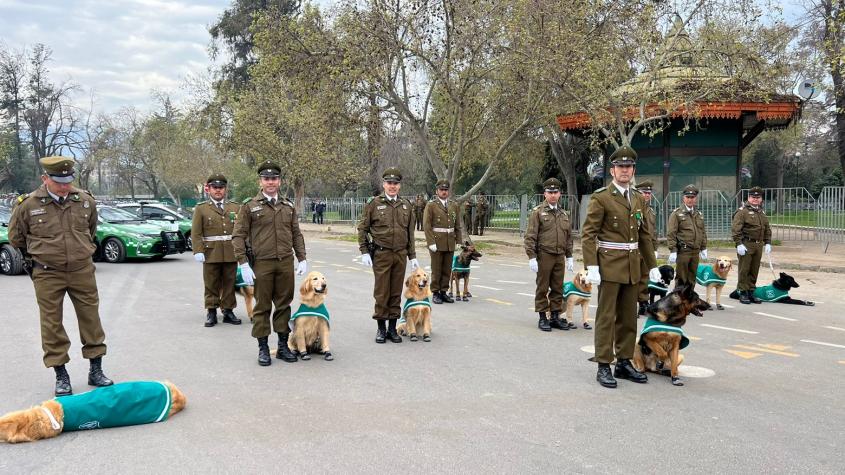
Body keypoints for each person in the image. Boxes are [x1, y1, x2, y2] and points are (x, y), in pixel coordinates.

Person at [8, 156, 114, 396]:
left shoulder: (85, 201)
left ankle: (95, 369)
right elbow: (17, 238)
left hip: (81, 270)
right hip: (47, 272)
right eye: (59, 182)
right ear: (45, 179)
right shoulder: (28, 205)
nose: (65, 186)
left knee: (91, 318)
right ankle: (61, 375)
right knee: (51, 323)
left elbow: (91, 230)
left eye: (68, 181)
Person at [581, 146, 660, 389]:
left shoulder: (637, 198)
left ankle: (624, 362)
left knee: (628, 318)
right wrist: (591, 265)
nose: (624, 171)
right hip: (609, 265)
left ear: (633, 170)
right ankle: (604, 364)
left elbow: (645, 236)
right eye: (620, 167)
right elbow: (588, 234)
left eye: (629, 167)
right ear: (612, 170)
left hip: (632, 266)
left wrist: (653, 265)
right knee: (607, 317)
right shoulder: (602, 197)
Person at [233, 161, 308, 366]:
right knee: (263, 307)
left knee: (284, 306)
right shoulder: (249, 206)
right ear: (261, 181)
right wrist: (243, 263)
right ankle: (263, 348)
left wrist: (301, 257)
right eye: (267, 179)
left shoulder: (287, 205)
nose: (270, 182)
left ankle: (283, 346)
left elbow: (295, 233)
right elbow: (238, 236)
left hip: (284, 262)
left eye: (274, 178)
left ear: (279, 181)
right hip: (262, 264)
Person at [357, 167, 419, 343]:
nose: (392, 186)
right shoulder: (374, 204)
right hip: (382, 254)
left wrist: (412, 256)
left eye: (395, 183)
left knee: (395, 292)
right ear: (384, 184)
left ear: (399, 186)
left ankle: (393, 329)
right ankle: (381, 329)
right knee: (382, 292)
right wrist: (364, 251)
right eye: (389, 183)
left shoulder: (406, 205)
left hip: (400, 254)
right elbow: (363, 228)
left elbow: (410, 233)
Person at [191, 173, 242, 328]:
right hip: (210, 253)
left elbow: (240, 231)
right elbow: (196, 232)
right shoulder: (201, 209)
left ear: (225, 189)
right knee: (211, 283)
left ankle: (228, 311)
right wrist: (198, 250)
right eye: (215, 187)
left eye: (221, 187)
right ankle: (211, 311)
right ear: (209, 189)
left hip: (230, 252)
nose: (218, 190)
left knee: (229, 283)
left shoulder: (235, 207)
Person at [524, 178, 574, 331]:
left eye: (556, 192)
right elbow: (530, 236)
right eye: (550, 192)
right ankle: (542, 317)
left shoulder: (564, 214)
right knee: (543, 287)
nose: (553, 195)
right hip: (544, 255)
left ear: (560, 194)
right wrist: (532, 257)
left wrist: (569, 256)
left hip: (559, 255)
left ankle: (554, 316)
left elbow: (568, 237)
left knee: (558, 287)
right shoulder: (538, 212)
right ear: (544, 194)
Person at [423, 179, 463, 304]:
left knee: (447, 269)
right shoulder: (431, 205)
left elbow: (457, 225)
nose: (444, 192)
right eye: (442, 190)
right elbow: (426, 225)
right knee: (437, 269)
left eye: (446, 190)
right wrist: (431, 242)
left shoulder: (454, 205)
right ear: (437, 191)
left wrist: (459, 240)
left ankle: (443, 292)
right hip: (437, 242)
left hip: (450, 242)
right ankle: (435, 292)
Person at [732, 186, 771, 304]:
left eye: (757, 197)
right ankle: (743, 292)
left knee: (754, 269)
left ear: (761, 199)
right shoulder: (742, 212)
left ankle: (751, 292)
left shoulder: (761, 212)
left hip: (758, 245)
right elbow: (736, 229)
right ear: (748, 198)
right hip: (746, 244)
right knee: (744, 269)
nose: (755, 199)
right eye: (753, 197)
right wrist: (738, 243)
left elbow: (766, 229)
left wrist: (768, 242)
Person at [667, 184, 707, 288]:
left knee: (692, 278)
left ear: (696, 198)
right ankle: (678, 302)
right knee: (681, 278)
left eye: (692, 197)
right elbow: (671, 233)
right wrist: (673, 250)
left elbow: (702, 232)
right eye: (688, 197)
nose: (690, 200)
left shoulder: (698, 214)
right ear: (683, 198)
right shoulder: (676, 214)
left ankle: (689, 302)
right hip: (683, 251)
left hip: (695, 251)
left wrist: (703, 248)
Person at [635, 181, 659, 316]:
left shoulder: (651, 211)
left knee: (644, 277)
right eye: (645, 192)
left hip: (646, 249)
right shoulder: (633, 208)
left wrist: (654, 249)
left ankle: (643, 303)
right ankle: (631, 304)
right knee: (633, 278)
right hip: (635, 248)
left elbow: (653, 232)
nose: (647, 195)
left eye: (649, 193)